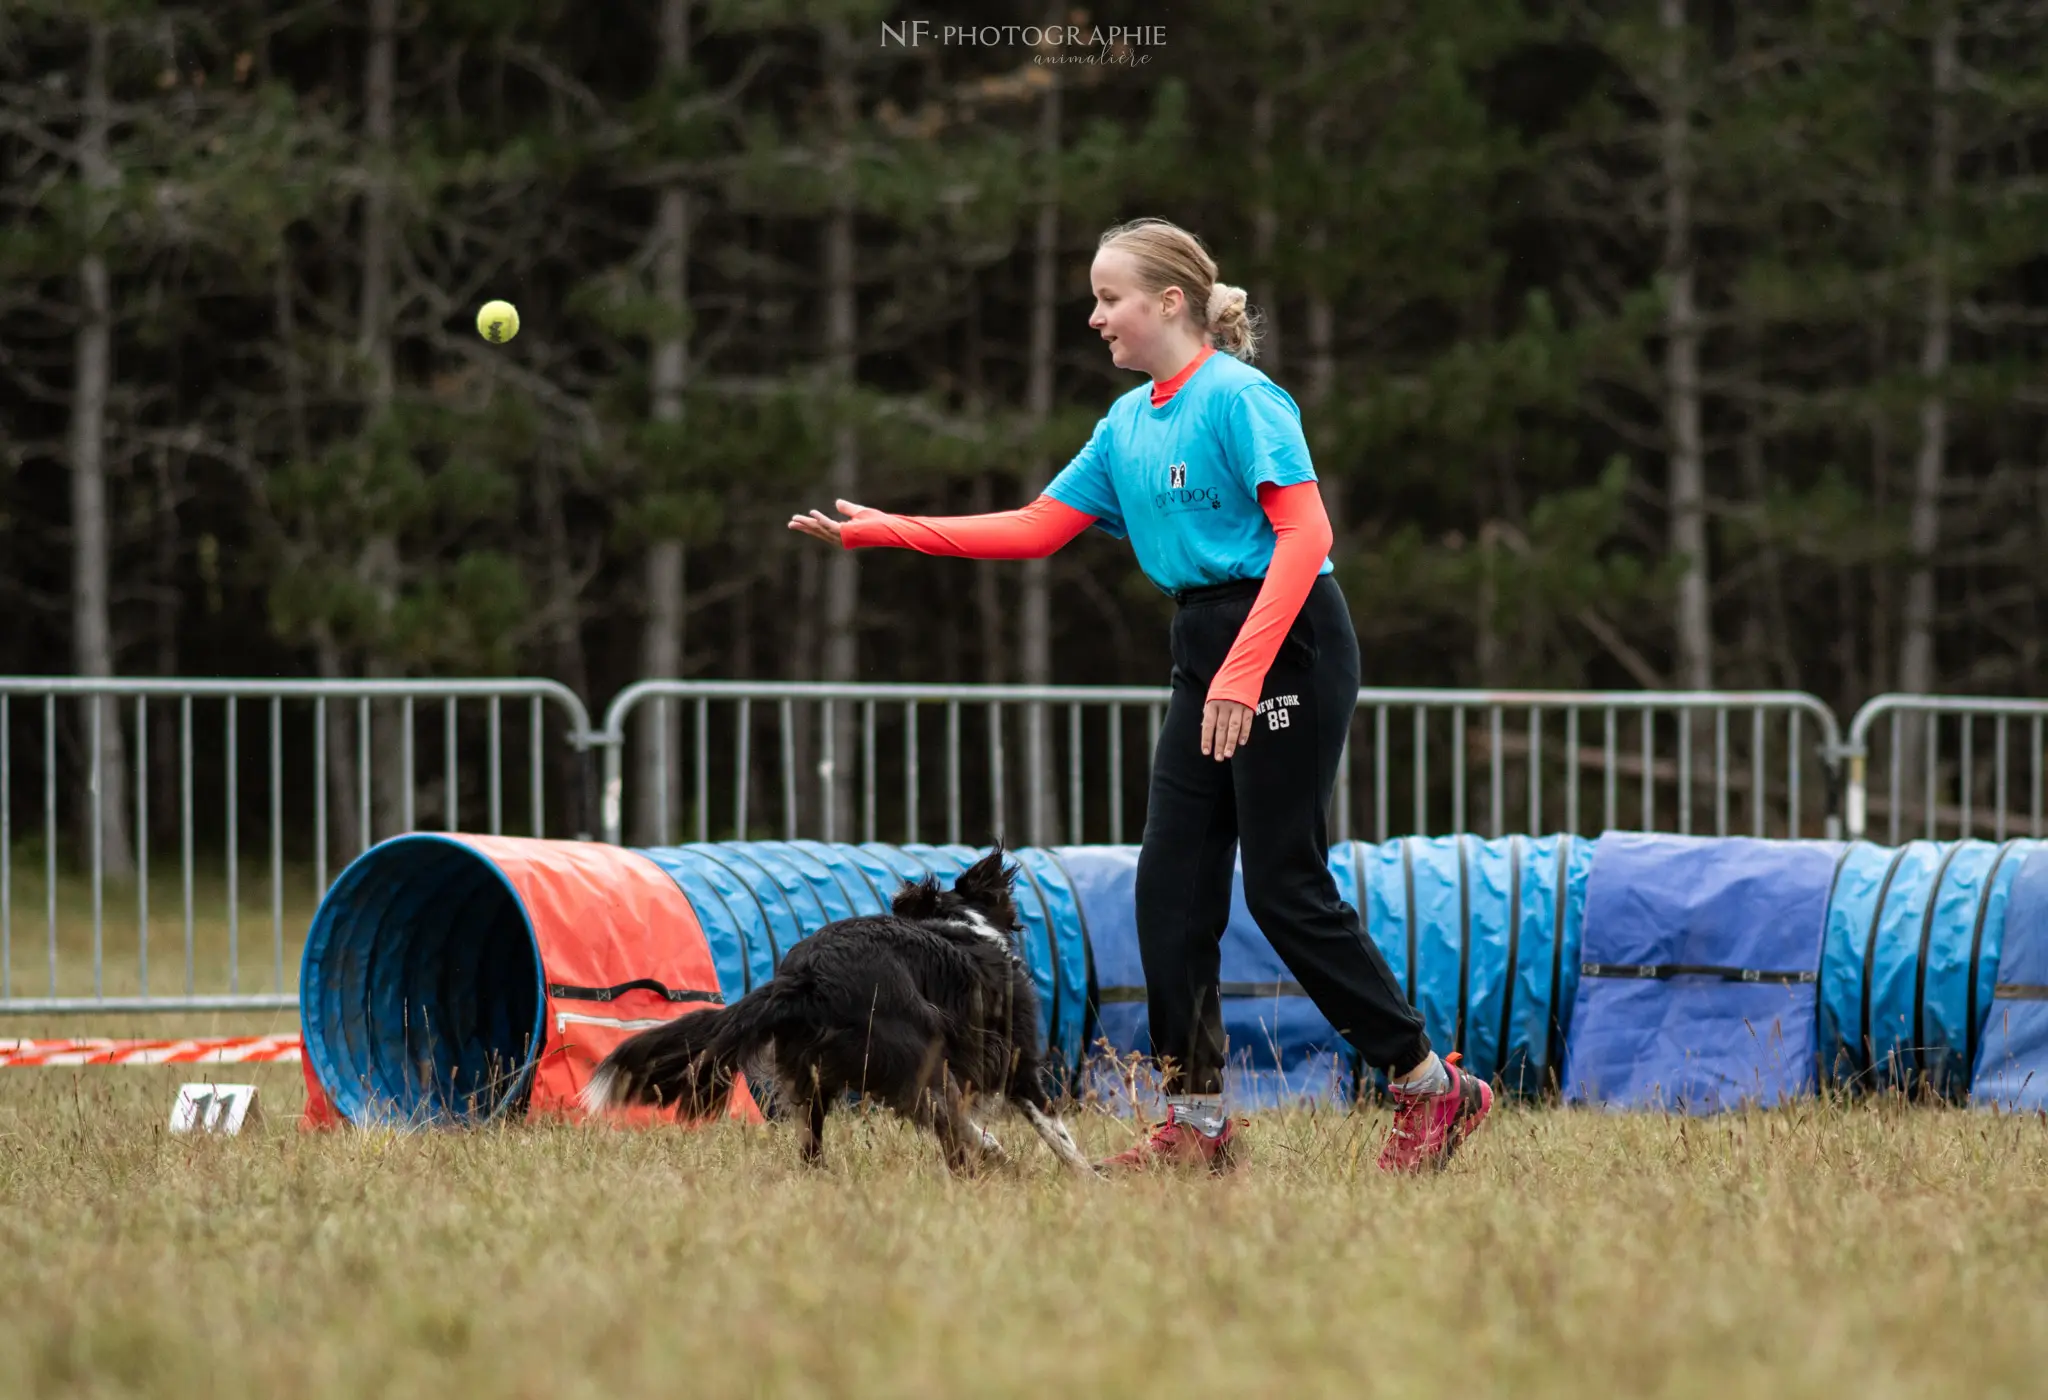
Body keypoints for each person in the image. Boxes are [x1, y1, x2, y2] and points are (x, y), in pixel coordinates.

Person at [788, 217, 1490, 1174]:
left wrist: (1243, 674)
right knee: (1170, 891)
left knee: (1283, 887)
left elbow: (1308, 536)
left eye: (1108, 298)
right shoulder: (1126, 424)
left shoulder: (1243, 399)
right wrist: (889, 532)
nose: (1093, 317)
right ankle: (1197, 1126)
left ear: (1170, 304)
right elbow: (1036, 527)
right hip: (1203, 642)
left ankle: (1429, 1089)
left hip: (1286, 642)